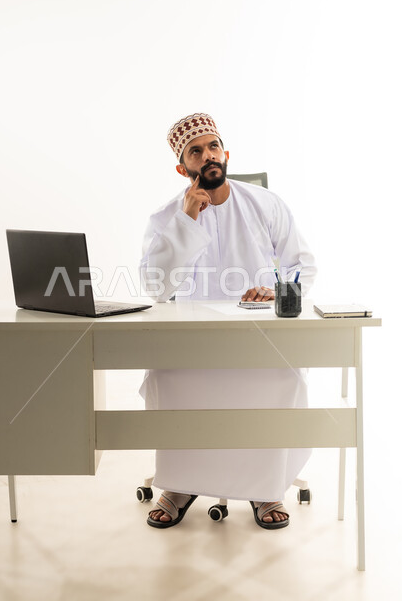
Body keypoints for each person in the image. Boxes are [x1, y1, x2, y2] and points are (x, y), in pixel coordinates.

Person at [139, 113, 317, 530]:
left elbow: (301, 265)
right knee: (170, 377)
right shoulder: (166, 217)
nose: (208, 156)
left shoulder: (265, 204)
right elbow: (156, 287)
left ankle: (267, 487)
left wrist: (276, 292)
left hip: (258, 332)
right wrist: (186, 220)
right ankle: (180, 484)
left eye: (213, 146)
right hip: (191, 336)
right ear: (183, 168)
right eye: (196, 151)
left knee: (281, 378)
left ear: (226, 153)